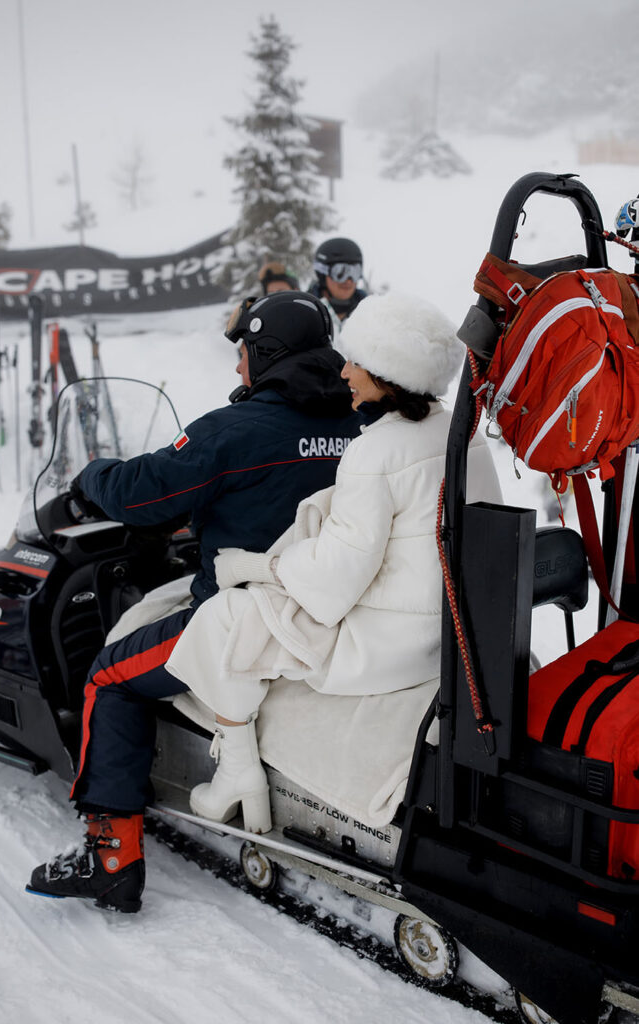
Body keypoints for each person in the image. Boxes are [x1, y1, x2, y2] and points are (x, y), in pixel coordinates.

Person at [26, 290, 363, 912]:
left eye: (244, 353)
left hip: (248, 618)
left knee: (109, 676)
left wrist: (89, 474)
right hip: (338, 612)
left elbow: (141, 494)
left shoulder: (235, 431)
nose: (237, 368)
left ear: (267, 353)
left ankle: (111, 856)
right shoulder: (361, 422)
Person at [165, 291, 502, 834]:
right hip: (442, 633)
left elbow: (332, 583)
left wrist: (254, 568)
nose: (342, 371)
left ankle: (238, 771)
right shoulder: (463, 435)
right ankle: (240, 771)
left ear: (388, 374)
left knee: (225, 616)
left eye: (356, 362)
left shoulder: (375, 453)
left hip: (384, 645)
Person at [308, 236, 368, 341]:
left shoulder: (371, 315)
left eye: (355, 272)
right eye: (340, 272)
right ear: (322, 273)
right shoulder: (304, 312)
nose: (349, 280)